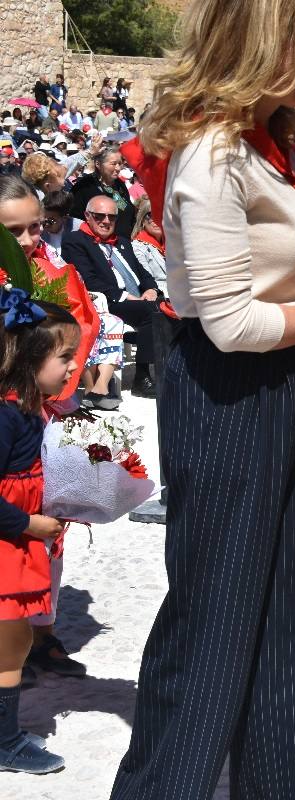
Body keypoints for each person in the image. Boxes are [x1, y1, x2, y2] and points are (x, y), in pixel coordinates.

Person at [107, 3, 295, 794]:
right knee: (214, 632)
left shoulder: (279, 146)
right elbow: (228, 320)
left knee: (286, 621)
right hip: (232, 394)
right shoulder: (212, 154)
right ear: (268, 40)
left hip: (291, 386)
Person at [0, 290, 79, 774]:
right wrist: (28, 522)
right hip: (7, 545)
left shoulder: (31, 408)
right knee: (10, 645)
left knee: (16, 641)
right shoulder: (7, 415)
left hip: (19, 544)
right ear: (32, 360)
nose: (74, 367)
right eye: (65, 357)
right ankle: (5, 741)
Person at [61, 195, 160, 398]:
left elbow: (143, 274)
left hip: (138, 301)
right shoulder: (75, 241)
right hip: (108, 302)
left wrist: (151, 289)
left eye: (111, 217)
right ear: (87, 216)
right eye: (99, 216)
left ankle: (170, 371)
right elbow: (89, 280)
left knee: (169, 307)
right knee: (152, 311)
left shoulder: (122, 241)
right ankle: (142, 377)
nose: (106, 221)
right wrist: (127, 297)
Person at [70, 147, 135, 238]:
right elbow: (75, 219)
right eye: (113, 164)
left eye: (120, 163)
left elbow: (126, 209)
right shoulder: (85, 186)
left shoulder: (119, 185)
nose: (118, 168)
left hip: (122, 242)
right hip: (94, 243)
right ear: (98, 164)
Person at [130, 198, 167, 293]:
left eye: (161, 215)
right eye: (151, 215)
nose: (157, 220)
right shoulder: (137, 247)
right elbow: (148, 281)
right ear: (142, 221)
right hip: (161, 295)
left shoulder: (171, 243)